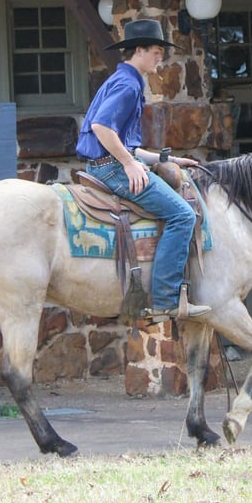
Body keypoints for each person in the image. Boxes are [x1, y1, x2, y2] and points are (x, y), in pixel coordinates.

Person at [76, 18, 211, 320]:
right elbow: (101, 128)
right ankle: (166, 300)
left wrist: (166, 160)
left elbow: (127, 145)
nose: (160, 58)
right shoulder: (127, 84)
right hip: (112, 169)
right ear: (139, 50)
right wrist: (127, 164)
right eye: (156, 51)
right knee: (183, 215)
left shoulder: (125, 80)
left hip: (106, 163)